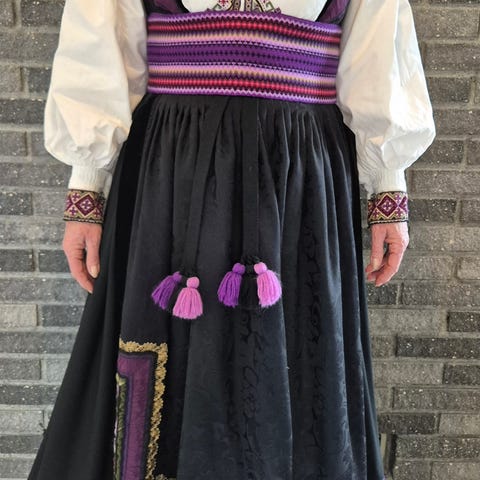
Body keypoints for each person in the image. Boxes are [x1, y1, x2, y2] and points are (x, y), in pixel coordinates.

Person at [28, 0, 435, 479]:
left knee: (301, 352)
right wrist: (87, 187)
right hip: (174, 167)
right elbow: (102, 38)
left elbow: (377, 43)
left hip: (300, 176)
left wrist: (388, 185)